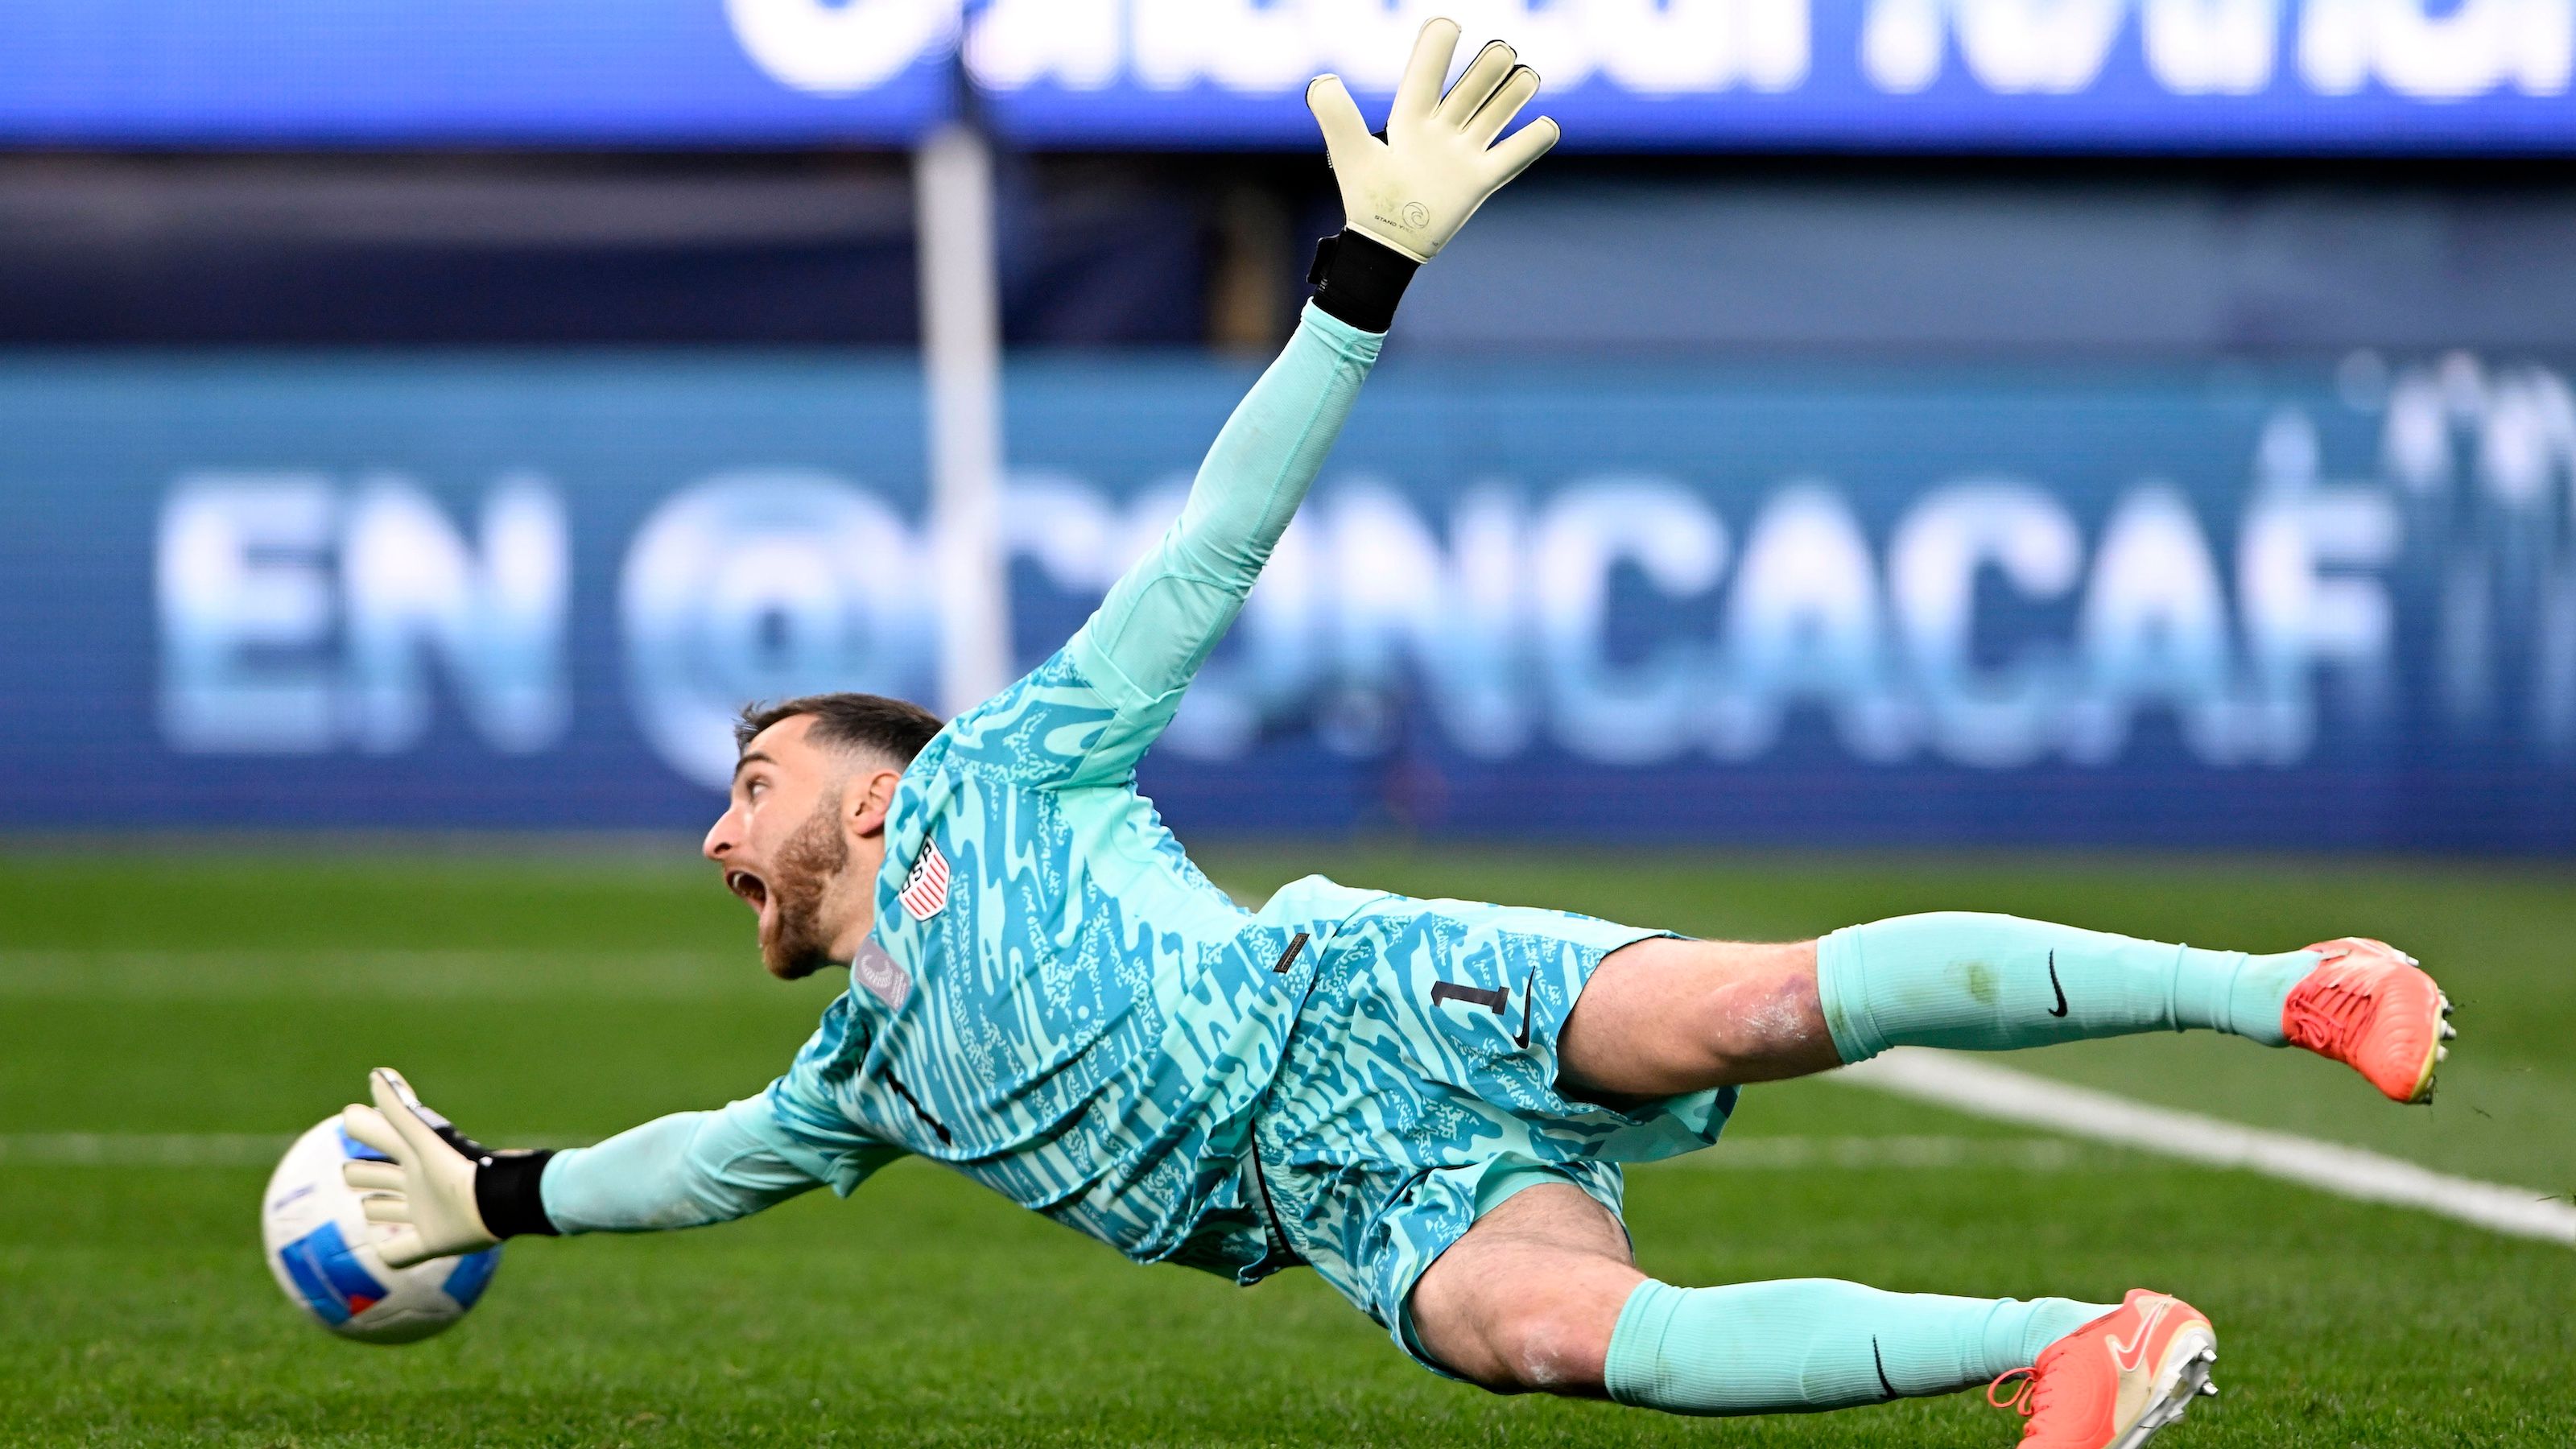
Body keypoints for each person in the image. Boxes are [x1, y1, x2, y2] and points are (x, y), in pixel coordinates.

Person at [339, 21, 2454, 1447]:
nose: (723, 829)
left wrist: (1359, 275)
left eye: (756, 777)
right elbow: (689, 1172)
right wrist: (488, 1195)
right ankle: (2070, 1351)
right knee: (1547, 1341)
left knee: (1758, 1009)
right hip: (1340, 1197)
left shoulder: (1015, 764)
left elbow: (1211, 541)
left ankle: (2299, 989)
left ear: (877, 787)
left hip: (1382, 1000)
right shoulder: (864, 1071)